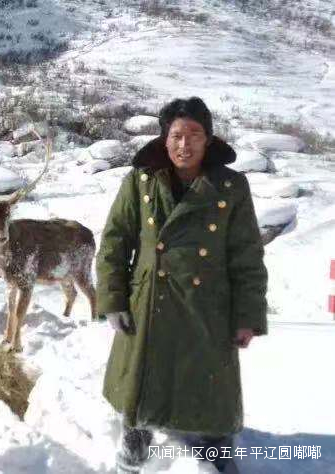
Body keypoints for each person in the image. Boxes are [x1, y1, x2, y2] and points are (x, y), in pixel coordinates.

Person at [96, 97, 268, 473]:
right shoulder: (140, 180)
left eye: (194, 135)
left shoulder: (231, 186)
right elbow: (114, 242)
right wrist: (113, 299)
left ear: (209, 139)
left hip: (208, 308)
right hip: (148, 304)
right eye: (176, 135)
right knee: (141, 389)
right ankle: (132, 456)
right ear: (164, 138)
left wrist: (247, 316)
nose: (184, 144)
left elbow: (247, 257)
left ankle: (217, 458)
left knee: (211, 393)